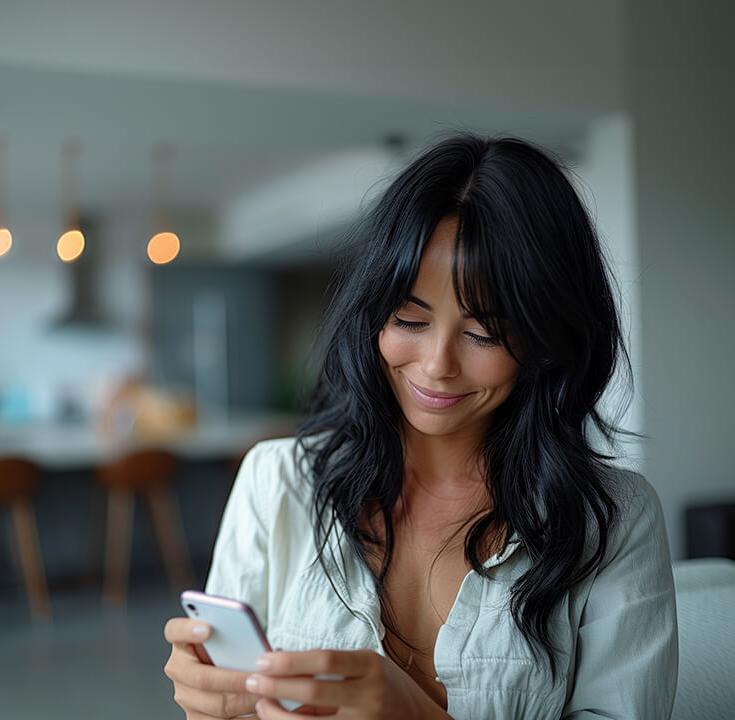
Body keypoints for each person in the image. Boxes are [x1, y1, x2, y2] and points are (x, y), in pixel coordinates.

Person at [163, 134, 678, 719]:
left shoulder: (613, 520)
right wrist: (214, 708)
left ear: (548, 337)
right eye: (409, 318)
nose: (436, 365)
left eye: (484, 333)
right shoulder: (274, 480)